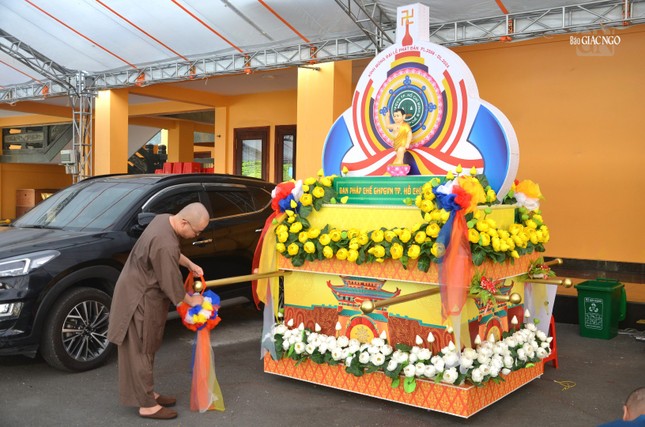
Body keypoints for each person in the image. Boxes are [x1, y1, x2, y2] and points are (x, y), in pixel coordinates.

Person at [107, 202, 210, 420]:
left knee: (147, 347)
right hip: (139, 298)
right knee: (141, 351)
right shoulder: (166, 243)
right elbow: (170, 283)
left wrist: (189, 263)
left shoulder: (164, 220)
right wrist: (192, 300)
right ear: (184, 222)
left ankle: (147, 393)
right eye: (197, 231)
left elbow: (170, 252)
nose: (196, 236)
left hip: (138, 291)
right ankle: (147, 405)